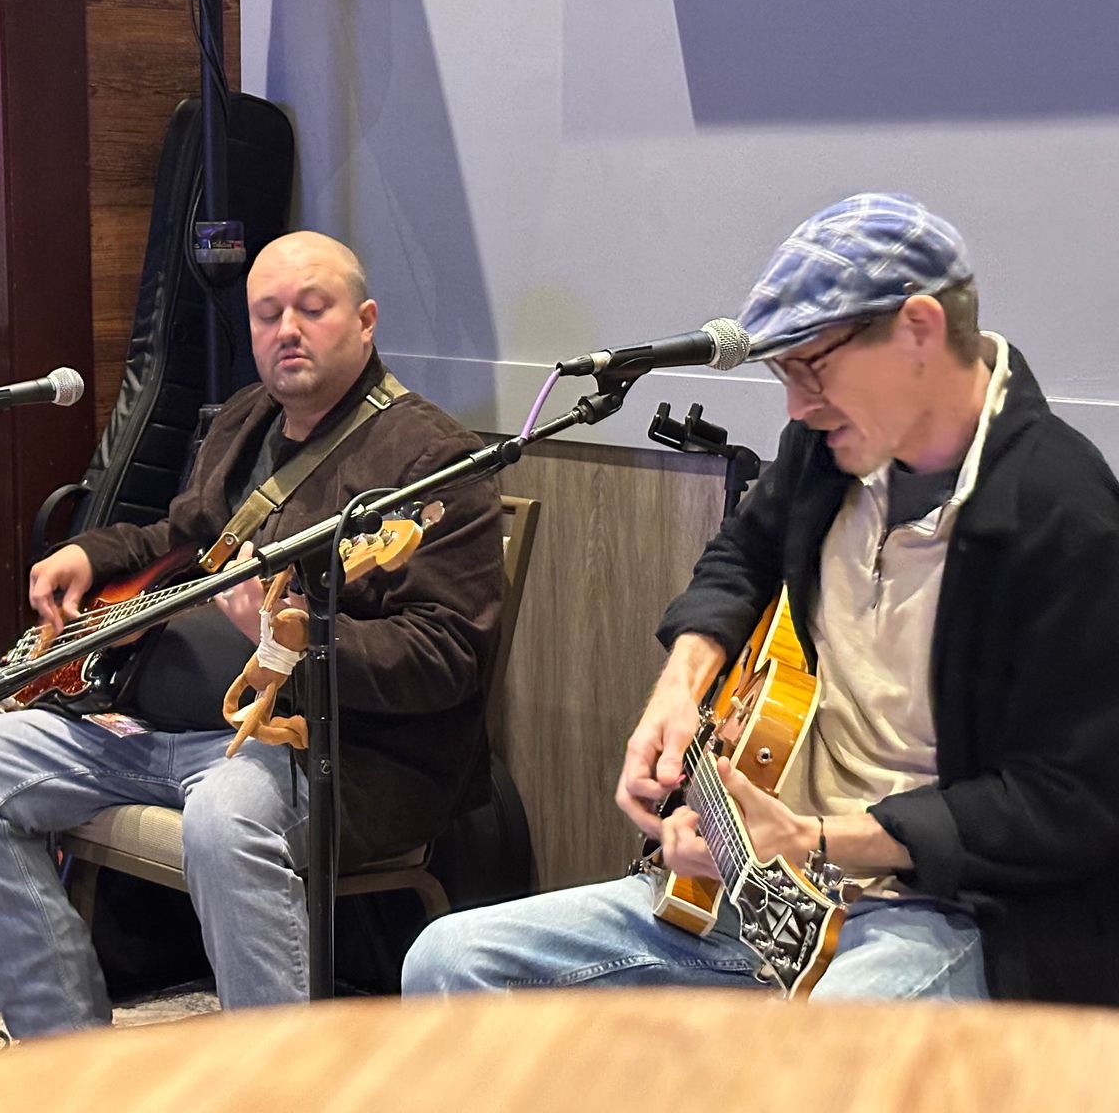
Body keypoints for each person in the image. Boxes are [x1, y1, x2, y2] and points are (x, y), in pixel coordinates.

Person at [402, 193, 1119, 1004]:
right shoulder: (830, 446)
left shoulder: (1062, 514)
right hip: (771, 889)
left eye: (811, 368)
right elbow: (743, 554)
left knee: (819, 1042)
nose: (796, 406)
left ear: (918, 329)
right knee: (449, 959)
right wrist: (678, 692)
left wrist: (812, 837)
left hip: (946, 909)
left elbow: (1067, 804)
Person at [0, 230, 505, 1037]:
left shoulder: (431, 459)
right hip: (169, 724)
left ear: (366, 321)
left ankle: (272, 1080)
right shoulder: (245, 417)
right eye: (267, 314)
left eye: (312, 309)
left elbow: (448, 657)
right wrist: (91, 554)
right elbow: (182, 538)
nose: (286, 330)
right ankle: (64, 1052)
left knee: (226, 818)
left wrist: (298, 642)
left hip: (330, 752)